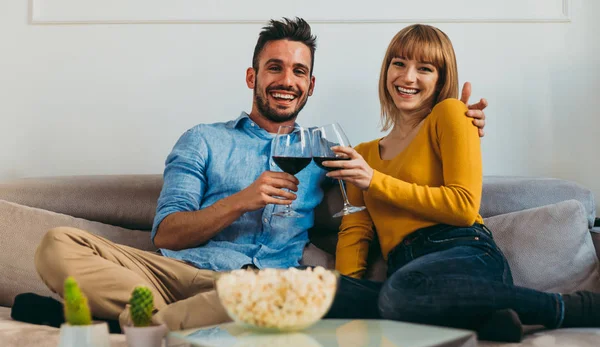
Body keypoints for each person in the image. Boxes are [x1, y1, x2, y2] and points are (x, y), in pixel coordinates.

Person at [32, 18, 488, 331]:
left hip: (260, 288)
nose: (286, 80)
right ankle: (165, 319)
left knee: (268, 297)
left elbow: (384, 183)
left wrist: (457, 126)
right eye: (275, 68)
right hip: (178, 275)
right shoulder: (203, 140)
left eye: (299, 72)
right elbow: (167, 235)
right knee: (57, 245)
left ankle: (132, 322)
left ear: (311, 86)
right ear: (252, 76)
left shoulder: (327, 151)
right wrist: (242, 200)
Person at [325, 24, 600, 342]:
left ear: (441, 79)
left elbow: (463, 207)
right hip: (407, 269)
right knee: (322, 292)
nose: (408, 77)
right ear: (386, 69)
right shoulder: (362, 154)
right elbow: (355, 233)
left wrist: (376, 180)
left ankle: (564, 307)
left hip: (462, 252)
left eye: (424, 68)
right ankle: (481, 317)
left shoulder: (450, 114)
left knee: (400, 293)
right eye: (398, 63)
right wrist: (343, 296)